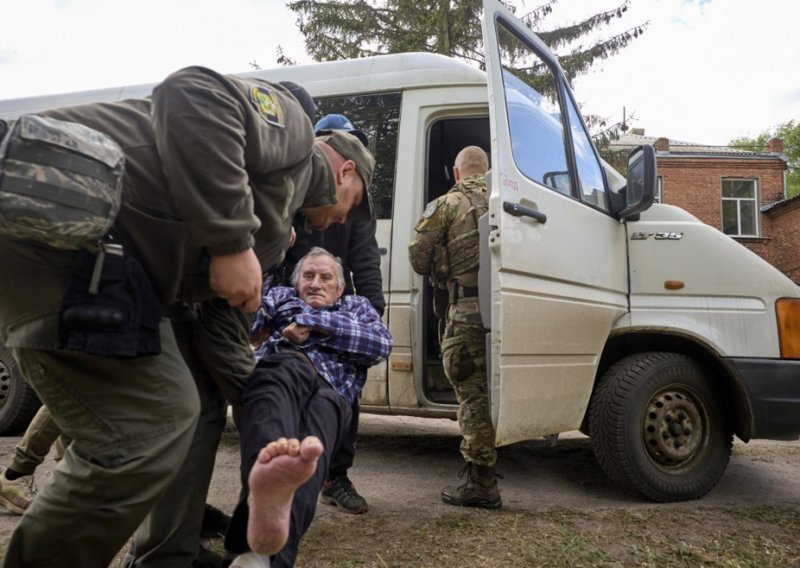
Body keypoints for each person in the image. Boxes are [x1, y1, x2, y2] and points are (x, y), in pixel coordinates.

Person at [0, 65, 375, 568]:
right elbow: (192, 93)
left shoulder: (275, 222)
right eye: (354, 206)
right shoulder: (296, 137)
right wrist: (230, 240)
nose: (345, 219)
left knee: (194, 404)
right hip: (56, 215)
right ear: (346, 171)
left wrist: (270, 407)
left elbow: (220, 329)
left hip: (106, 269)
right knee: (149, 425)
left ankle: (164, 555)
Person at [224, 247, 392, 567]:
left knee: (307, 466)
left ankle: (259, 557)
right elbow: (244, 325)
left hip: (332, 390)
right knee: (272, 426)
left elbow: (380, 344)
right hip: (286, 366)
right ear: (296, 282)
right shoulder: (280, 296)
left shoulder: (356, 306)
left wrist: (313, 325)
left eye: (325, 277)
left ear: (340, 288)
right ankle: (256, 553)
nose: (315, 283)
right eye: (308, 276)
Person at [279, 112, 384, 516]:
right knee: (290, 384)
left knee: (345, 391)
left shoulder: (355, 204)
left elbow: (365, 256)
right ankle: (289, 471)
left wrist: (372, 307)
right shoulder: (296, 190)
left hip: (339, 307)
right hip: (295, 302)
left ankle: (335, 475)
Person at [407, 145, 501, 509]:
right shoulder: (507, 201)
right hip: (509, 303)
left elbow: (417, 257)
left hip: (467, 309)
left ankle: (483, 483)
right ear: (487, 170)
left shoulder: (447, 204)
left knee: (473, 393)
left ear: (456, 172)